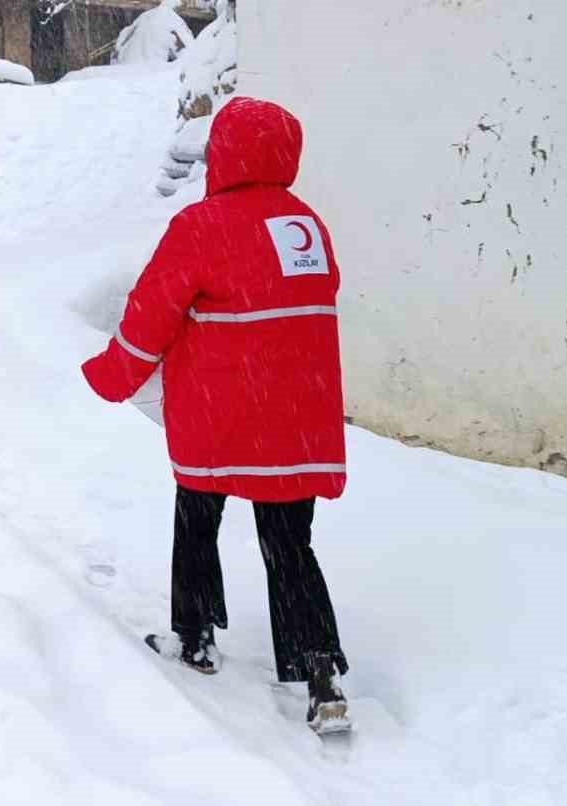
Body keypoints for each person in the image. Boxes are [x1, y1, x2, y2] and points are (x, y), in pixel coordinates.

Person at [80, 97, 352, 734]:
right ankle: (322, 676)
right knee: (290, 544)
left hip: (220, 408)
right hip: (296, 416)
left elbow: (151, 315)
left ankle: (196, 638)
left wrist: (112, 373)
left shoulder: (202, 224)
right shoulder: (307, 225)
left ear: (223, 153)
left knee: (197, 518)